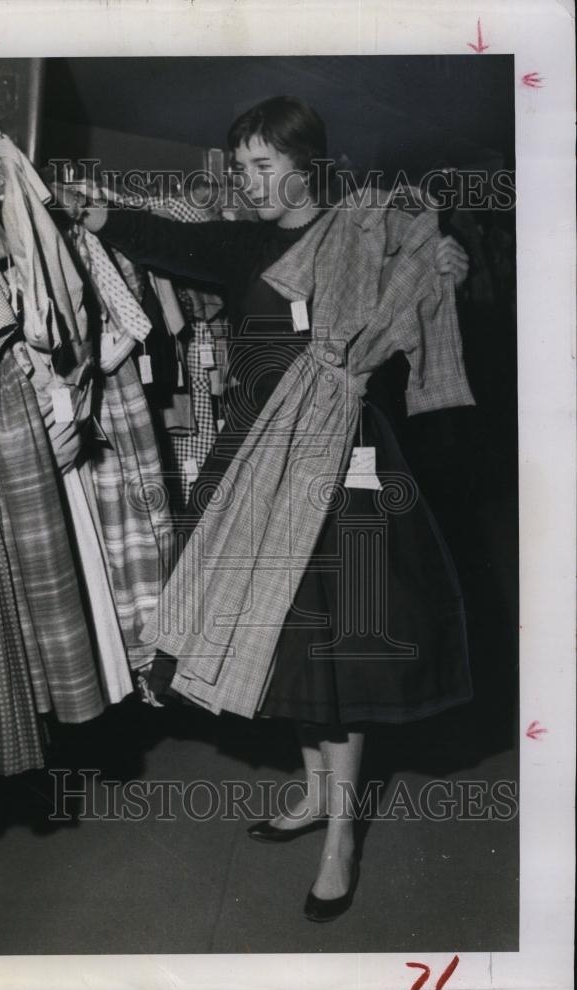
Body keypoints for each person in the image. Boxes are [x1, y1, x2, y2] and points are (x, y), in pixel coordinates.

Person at [53, 96, 471, 921]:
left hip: (346, 458)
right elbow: (170, 240)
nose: (251, 182)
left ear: (307, 161)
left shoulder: (366, 231)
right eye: (240, 167)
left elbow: (430, 279)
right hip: (252, 457)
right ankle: (316, 792)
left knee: (338, 649)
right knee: (275, 638)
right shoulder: (244, 242)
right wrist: (98, 212)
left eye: (265, 164)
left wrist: (443, 265)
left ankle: (342, 836)